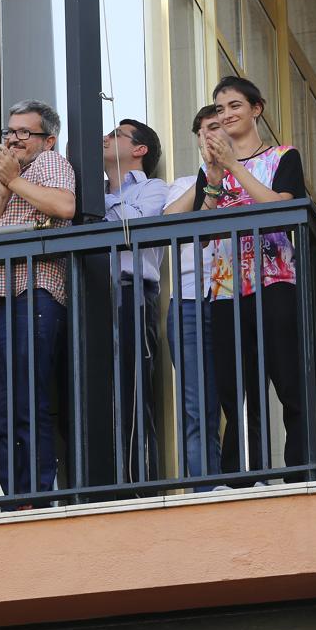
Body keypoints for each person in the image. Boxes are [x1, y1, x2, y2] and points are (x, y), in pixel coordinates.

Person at [191, 76, 307, 479]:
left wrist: (234, 166)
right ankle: (241, 475)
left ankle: (299, 471)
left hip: (275, 281)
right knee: (234, 389)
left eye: (234, 106)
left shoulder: (282, 156)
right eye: (220, 109)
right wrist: (212, 178)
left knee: (288, 381)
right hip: (225, 288)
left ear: (256, 109)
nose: (226, 115)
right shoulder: (212, 172)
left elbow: (279, 209)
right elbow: (201, 233)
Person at [0, 100, 76, 499]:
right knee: (1, 409)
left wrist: (14, 181)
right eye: (9, 132)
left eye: (23, 133)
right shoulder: (10, 177)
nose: (13, 139)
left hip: (34, 292)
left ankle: (34, 494)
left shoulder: (49, 164)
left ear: (48, 140)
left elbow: (64, 208)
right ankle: (16, 496)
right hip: (1, 300)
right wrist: (0, 193)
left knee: (27, 400)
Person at [102, 119, 168, 484]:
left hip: (132, 295)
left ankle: (140, 488)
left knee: (132, 395)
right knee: (95, 396)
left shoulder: (155, 188)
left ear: (139, 149)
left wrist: (101, 204)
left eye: (115, 134)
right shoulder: (90, 191)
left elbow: (135, 227)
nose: (104, 138)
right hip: (93, 299)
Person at [164, 105, 223, 489]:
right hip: (188, 300)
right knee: (197, 405)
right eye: (202, 131)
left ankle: (245, 480)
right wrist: (210, 177)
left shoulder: (255, 177)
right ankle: (206, 487)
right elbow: (170, 222)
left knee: (238, 395)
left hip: (238, 297)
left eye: (215, 127)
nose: (209, 136)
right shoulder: (186, 182)